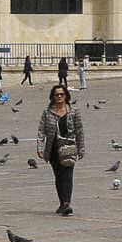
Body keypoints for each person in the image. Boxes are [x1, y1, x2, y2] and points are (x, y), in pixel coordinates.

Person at [35, 84, 85, 216]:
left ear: (66, 96)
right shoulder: (47, 112)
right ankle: (62, 202)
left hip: (69, 148)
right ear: (52, 96)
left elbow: (79, 130)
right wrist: (40, 148)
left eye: (61, 94)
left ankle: (66, 203)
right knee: (59, 176)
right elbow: (41, 131)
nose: (59, 97)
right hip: (53, 149)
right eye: (56, 94)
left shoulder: (73, 111)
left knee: (68, 175)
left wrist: (81, 148)